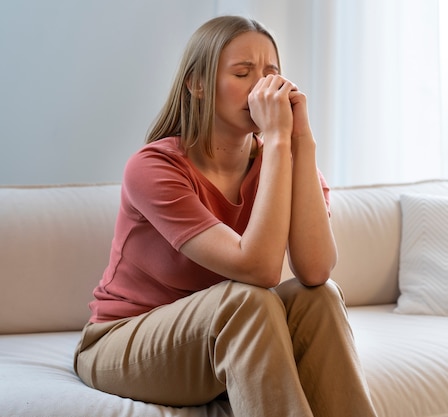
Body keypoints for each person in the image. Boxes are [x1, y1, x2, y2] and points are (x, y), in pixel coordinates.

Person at [74, 15, 378, 417]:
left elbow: (316, 270)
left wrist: (300, 142)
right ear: (197, 85)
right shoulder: (154, 168)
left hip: (220, 338)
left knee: (318, 298)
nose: (263, 86)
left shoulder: (282, 160)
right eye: (242, 72)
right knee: (248, 300)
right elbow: (260, 269)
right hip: (123, 341)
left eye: (272, 73)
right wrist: (275, 138)